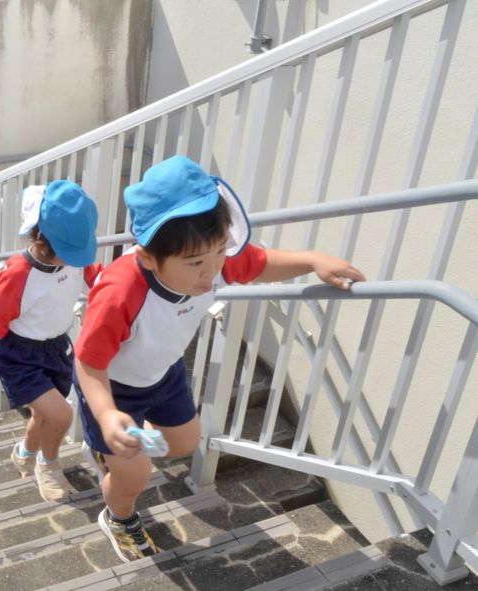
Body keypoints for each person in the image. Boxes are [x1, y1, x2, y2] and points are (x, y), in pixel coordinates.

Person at [73, 156, 365, 562]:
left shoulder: (215, 263)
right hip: (111, 387)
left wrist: (314, 260)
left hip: (163, 373)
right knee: (134, 474)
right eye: (195, 263)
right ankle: (118, 513)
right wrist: (106, 414)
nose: (211, 273)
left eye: (219, 252)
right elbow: (88, 363)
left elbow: (260, 263)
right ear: (147, 258)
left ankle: (124, 447)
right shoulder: (121, 292)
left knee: (186, 441)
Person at [0, 181, 102, 501]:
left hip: (57, 348)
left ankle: (25, 453)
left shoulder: (73, 257)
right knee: (61, 416)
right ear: (42, 240)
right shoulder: (17, 273)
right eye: (69, 253)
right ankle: (48, 465)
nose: (75, 261)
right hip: (19, 354)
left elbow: (96, 278)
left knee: (45, 415)